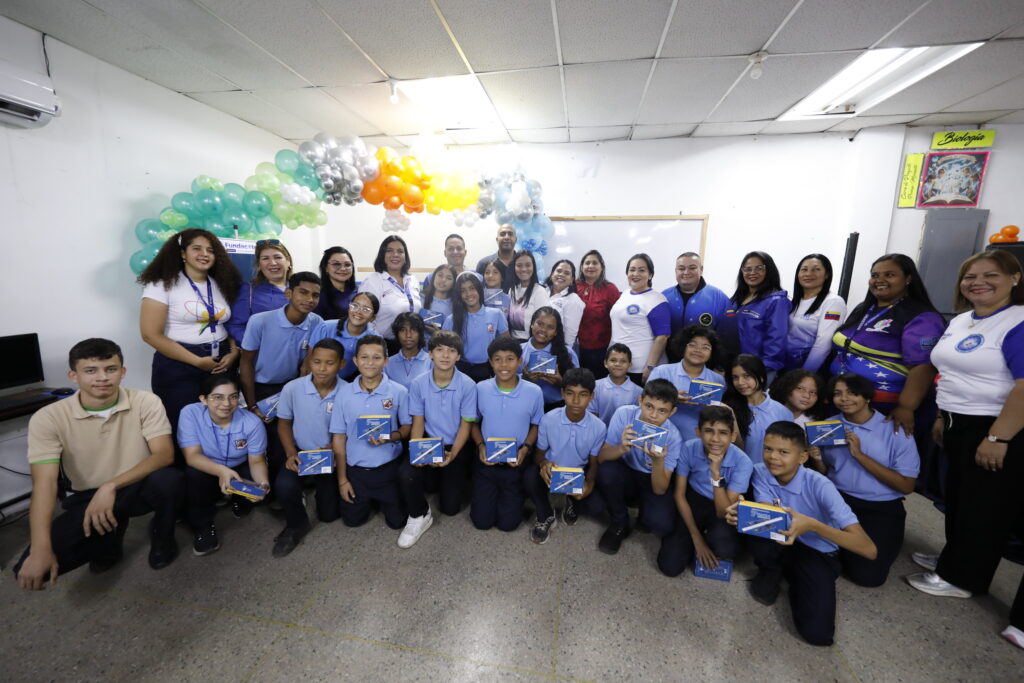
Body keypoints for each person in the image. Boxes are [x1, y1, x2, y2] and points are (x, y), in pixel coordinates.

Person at [906, 250, 1024, 650]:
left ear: (1015, 278)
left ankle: (961, 578)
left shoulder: (1018, 321)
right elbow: (951, 372)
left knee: (984, 507)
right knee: (957, 498)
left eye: (991, 275)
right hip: (957, 421)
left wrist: (998, 438)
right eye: (970, 276)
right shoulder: (961, 320)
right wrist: (942, 416)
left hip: (996, 426)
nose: (978, 282)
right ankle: (953, 557)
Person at [15, 339, 183, 590]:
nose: (102, 377)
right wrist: (40, 549)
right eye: (91, 370)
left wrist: (110, 486)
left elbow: (164, 455)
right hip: (89, 496)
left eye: (111, 369)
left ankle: (162, 535)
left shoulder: (145, 401)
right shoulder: (48, 418)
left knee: (170, 479)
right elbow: (44, 484)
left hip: (137, 485)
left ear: (122, 372)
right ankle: (108, 542)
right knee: (32, 568)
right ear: (73, 376)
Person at [726, 421, 876, 647]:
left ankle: (797, 576)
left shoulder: (821, 486)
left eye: (783, 452)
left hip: (816, 550)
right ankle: (771, 571)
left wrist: (813, 526)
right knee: (756, 536)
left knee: (818, 634)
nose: (772, 457)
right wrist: (742, 514)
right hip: (781, 539)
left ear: (803, 457)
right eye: (768, 449)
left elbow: (868, 549)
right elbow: (767, 511)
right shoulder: (760, 471)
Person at [807, 373, 918, 587]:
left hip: (879, 506)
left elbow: (907, 485)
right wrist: (817, 459)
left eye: (852, 393)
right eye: (837, 394)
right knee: (813, 556)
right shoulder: (828, 426)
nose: (844, 398)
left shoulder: (894, 428)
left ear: (867, 397)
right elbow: (825, 472)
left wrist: (859, 455)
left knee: (868, 577)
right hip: (837, 499)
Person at [138, 228, 241, 451]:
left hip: (223, 361)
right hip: (179, 364)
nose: (204, 254)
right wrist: (196, 361)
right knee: (184, 428)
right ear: (183, 253)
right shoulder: (161, 284)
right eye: (197, 248)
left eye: (210, 250)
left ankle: (222, 469)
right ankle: (187, 471)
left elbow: (230, 324)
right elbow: (150, 334)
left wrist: (234, 351)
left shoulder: (221, 283)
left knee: (223, 423)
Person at [830, 253, 945, 434]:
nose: (880, 280)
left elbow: (924, 366)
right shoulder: (864, 308)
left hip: (886, 408)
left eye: (889, 275)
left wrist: (906, 407)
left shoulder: (922, 316)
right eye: (875, 275)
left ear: (908, 279)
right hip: (844, 400)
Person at [399, 330, 478, 548]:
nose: (445, 355)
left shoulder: (468, 384)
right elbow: (418, 421)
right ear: (430, 354)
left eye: (451, 351)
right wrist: (417, 451)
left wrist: (453, 454)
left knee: (450, 508)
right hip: (428, 441)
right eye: (439, 350)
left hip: (455, 444)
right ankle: (419, 514)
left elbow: (466, 425)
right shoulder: (418, 383)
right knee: (407, 474)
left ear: (458, 356)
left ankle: (443, 476)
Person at [179, 374, 269, 556]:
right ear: (203, 399)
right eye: (218, 397)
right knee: (193, 475)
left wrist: (263, 484)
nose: (227, 404)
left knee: (254, 483)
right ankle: (204, 527)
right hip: (206, 466)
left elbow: (256, 460)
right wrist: (222, 471)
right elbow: (192, 456)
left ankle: (238, 498)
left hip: (240, 465)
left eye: (233, 397)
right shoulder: (190, 413)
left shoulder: (252, 423)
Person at [657, 405, 752, 578]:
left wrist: (716, 474)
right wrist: (697, 538)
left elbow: (723, 512)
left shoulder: (744, 462)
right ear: (698, 432)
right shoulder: (689, 447)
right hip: (693, 499)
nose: (715, 439)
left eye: (723, 433)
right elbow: (679, 494)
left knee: (726, 548)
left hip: (721, 503)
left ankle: (706, 538)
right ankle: (691, 538)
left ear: (733, 436)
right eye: (708, 431)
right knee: (669, 567)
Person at [272, 339, 345, 558]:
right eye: (317, 362)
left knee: (329, 515)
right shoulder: (292, 388)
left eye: (330, 363)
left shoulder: (348, 391)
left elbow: (349, 429)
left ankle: (316, 491)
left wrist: (334, 447)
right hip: (301, 453)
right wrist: (290, 453)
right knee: (284, 486)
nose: (322, 368)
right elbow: (284, 424)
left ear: (341, 364)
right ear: (309, 361)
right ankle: (296, 525)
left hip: (330, 457)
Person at [330, 335, 411, 531]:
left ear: (386, 361)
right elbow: (339, 438)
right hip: (356, 472)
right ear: (355, 360)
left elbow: (407, 427)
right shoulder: (343, 394)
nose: (370, 363)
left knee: (397, 522)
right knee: (352, 521)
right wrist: (342, 480)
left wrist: (390, 437)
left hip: (388, 469)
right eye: (364, 357)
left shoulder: (398, 391)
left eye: (376, 357)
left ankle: (388, 498)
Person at [596, 379, 682, 554]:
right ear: (640, 400)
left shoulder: (673, 437)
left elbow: (660, 489)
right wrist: (621, 448)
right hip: (625, 471)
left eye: (662, 410)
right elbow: (601, 458)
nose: (653, 415)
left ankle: (643, 511)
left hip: (651, 478)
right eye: (649, 406)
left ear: (672, 412)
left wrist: (658, 461)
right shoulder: (624, 414)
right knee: (606, 472)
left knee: (661, 523)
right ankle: (619, 521)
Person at [522, 368, 607, 544]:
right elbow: (538, 455)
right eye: (570, 393)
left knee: (596, 506)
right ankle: (545, 514)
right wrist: (544, 463)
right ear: (562, 393)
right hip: (552, 471)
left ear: (591, 396)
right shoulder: (548, 419)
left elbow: (594, 463)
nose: (575, 400)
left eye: (583, 395)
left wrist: (589, 484)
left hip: (578, 474)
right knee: (529, 476)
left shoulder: (599, 427)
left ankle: (572, 502)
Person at [470, 336, 544, 532]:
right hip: (487, 461)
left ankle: (513, 497)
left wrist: (525, 449)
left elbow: (536, 425)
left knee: (508, 525)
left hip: (516, 462)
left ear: (519, 361)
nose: (504, 365)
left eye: (510, 359)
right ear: (490, 362)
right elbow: (473, 423)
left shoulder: (534, 392)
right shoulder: (480, 388)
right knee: (482, 522)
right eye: (497, 359)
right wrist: (480, 446)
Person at [240, 272, 323, 418]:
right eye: (303, 292)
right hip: (259, 388)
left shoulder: (317, 323)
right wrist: (252, 405)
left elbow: (308, 364)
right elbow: (246, 363)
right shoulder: (259, 321)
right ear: (288, 293)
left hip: (291, 386)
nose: (310, 299)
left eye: (315, 295)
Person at [718, 251, 789, 381]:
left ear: (769, 270)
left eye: (759, 268)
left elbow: (776, 341)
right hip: (733, 368)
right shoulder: (736, 299)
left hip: (758, 371)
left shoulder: (777, 301)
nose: (752, 272)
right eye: (747, 269)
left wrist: (758, 370)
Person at [649, 325, 726, 442]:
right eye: (692, 345)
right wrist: (670, 398)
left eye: (705, 347)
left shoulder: (718, 380)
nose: (698, 350)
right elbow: (645, 404)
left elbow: (719, 416)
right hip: (661, 437)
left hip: (698, 440)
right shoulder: (661, 371)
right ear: (683, 346)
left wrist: (712, 407)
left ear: (712, 352)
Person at [609, 253, 670, 385]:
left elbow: (662, 337)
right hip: (619, 365)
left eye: (641, 270)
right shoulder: (624, 294)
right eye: (632, 270)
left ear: (650, 274)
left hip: (640, 369)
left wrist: (650, 367)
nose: (635, 274)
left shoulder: (657, 299)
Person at [722, 354, 793, 461]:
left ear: (761, 377)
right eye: (735, 377)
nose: (740, 382)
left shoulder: (782, 412)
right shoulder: (727, 408)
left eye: (746, 376)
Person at [358, 236, 420, 355]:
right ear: (382, 255)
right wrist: (374, 345)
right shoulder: (373, 280)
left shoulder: (412, 280)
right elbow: (364, 317)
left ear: (405, 257)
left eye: (400, 251)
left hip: (410, 345)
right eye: (389, 251)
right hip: (382, 345)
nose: (395, 254)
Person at [785, 254, 847, 372]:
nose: (808, 274)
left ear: (827, 274)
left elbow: (824, 344)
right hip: (785, 364)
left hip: (807, 368)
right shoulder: (794, 301)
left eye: (816, 269)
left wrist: (805, 373)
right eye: (804, 270)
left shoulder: (833, 302)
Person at [443, 273, 509, 382]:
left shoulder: (496, 314)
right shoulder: (452, 319)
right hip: (460, 371)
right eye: (463, 290)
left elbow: (506, 345)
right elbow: (445, 351)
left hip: (488, 370)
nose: (468, 293)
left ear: (479, 289)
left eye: (472, 288)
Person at [228, 240, 293, 344]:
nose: (273, 263)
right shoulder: (249, 290)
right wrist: (256, 344)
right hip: (266, 352)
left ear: (288, 261)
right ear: (259, 264)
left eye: (277, 257)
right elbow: (236, 326)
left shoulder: (300, 287)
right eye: (265, 258)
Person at [308, 291, 378, 382]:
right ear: (349, 308)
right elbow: (309, 362)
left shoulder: (375, 339)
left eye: (366, 309)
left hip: (350, 383)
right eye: (355, 306)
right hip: (318, 380)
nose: (358, 312)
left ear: (373, 317)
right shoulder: (325, 327)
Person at [519, 307, 579, 411]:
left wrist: (560, 383)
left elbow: (578, 386)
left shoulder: (568, 353)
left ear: (556, 332)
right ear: (532, 324)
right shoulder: (518, 351)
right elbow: (505, 382)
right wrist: (523, 379)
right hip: (524, 405)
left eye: (550, 327)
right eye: (540, 324)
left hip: (557, 407)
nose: (543, 330)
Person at [576, 250, 621, 380]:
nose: (590, 266)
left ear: (602, 267)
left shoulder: (610, 289)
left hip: (601, 348)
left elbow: (618, 318)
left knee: (598, 382)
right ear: (582, 267)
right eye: (587, 263)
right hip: (576, 347)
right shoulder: (574, 286)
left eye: (595, 263)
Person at [661, 252, 729, 334]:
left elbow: (728, 334)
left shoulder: (719, 298)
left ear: (701, 269)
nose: (686, 272)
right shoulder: (663, 297)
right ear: (676, 271)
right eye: (681, 269)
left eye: (692, 268)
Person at [588, 344, 642, 425]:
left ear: (630, 365)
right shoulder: (595, 386)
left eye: (623, 361)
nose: (618, 364)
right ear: (605, 363)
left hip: (626, 432)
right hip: (599, 431)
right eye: (613, 360)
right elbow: (592, 415)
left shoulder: (639, 392)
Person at [508, 250, 549, 341]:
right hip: (513, 342)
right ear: (514, 268)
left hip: (532, 342)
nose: (523, 269)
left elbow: (544, 323)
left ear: (533, 267)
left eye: (528, 265)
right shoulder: (512, 290)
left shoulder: (539, 291)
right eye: (519, 265)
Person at [545, 259, 586, 348]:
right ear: (552, 274)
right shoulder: (543, 292)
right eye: (559, 271)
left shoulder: (574, 300)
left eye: (566, 273)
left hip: (556, 347)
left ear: (572, 280)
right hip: (537, 342)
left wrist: (565, 352)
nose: (561, 274)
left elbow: (570, 334)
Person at [386, 312, 432, 390]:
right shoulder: (387, 364)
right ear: (397, 333)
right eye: (403, 330)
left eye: (413, 329)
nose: (408, 335)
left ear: (420, 333)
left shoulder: (432, 361)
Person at [314, 246, 357, 321]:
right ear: (326, 268)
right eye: (336, 264)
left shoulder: (358, 290)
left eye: (347, 264)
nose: (343, 268)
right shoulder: (317, 294)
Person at [475, 223, 518, 290]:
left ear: (515, 239)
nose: (506, 237)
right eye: (502, 234)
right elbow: (478, 290)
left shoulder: (522, 265)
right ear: (497, 239)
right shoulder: (483, 263)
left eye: (510, 234)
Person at [420, 264, 456, 337]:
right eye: (440, 275)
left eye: (449, 278)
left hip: (442, 343)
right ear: (433, 277)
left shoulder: (456, 305)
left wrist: (438, 334)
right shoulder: (420, 298)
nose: (443, 280)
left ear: (453, 283)